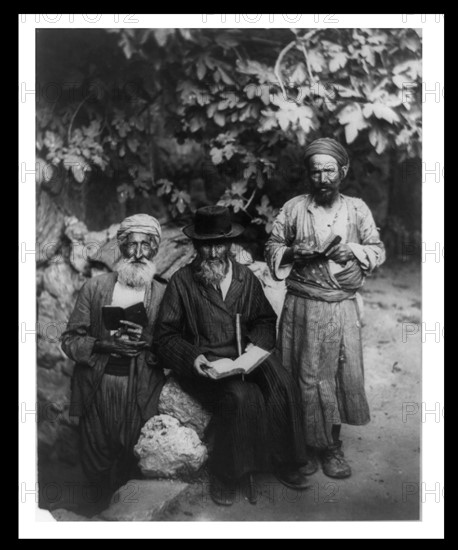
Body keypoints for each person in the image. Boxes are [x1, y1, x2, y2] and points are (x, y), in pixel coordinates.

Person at [154, 205, 309, 506]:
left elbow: (264, 319)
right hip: (208, 366)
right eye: (206, 245)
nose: (213, 253)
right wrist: (193, 359)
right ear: (196, 245)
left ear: (229, 244)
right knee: (241, 396)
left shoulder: (244, 278)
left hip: (244, 355)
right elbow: (165, 336)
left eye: (219, 244)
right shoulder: (182, 282)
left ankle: (286, 460)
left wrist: (255, 348)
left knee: (283, 383)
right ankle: (227, 473)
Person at [265, 137, 386, 479]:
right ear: (308, 174)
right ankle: (300, 448)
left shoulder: (357, 209)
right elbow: (272, 244)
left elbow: (377, 249)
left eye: (329, 171)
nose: (322, 179)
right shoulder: (293, 208)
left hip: (339, 307)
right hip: (302, 305)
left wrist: (354, 251)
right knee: (299, 375)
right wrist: (291, 253)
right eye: (315, 172)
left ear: (342, 171)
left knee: (331, 376)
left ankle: (331, 447)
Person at [61, 214, 166, 512]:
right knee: (94, 458)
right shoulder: (95, 288)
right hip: (98, 386)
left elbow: (172, 346)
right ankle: (95, 515)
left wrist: (146, 342)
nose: (137, 253)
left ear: (155, 249)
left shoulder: (163, 293)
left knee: (133, 460)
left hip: (141, 388)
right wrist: (104, 344)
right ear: (121, 247)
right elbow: (69, 340)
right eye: (130, 245)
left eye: (146, 245)